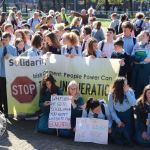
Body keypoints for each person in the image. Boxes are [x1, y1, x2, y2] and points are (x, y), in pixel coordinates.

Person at [108, 77, 136, 145]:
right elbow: (111, 110)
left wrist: (127, 92)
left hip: (128, 115)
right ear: (120, 85)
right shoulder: (112, 94)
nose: (127, 85)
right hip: (117, 115)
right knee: (118, 139)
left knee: (128, 136)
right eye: (125, 84)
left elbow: (133, 103)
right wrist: (118, 121)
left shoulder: (130, 91)